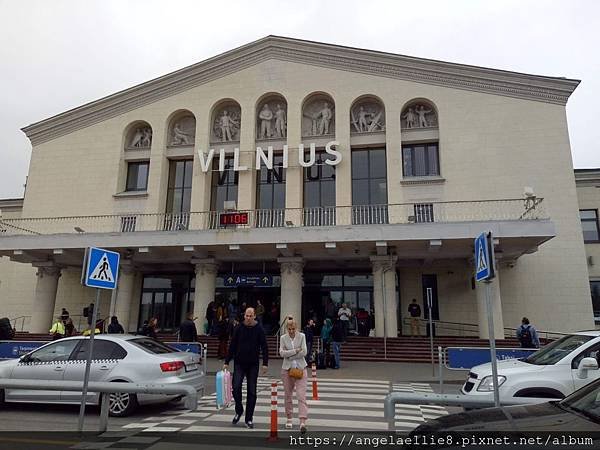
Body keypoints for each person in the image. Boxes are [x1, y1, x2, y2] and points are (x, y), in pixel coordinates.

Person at [223, 307, 268, 429]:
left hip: (253, 364)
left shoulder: (259, 329)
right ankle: (239, 409)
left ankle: (249, 419)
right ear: (244, 316)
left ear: (254, 316)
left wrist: (265, 363)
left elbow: (264, 346)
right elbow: (232, 345)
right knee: (236, 387)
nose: (248, 318)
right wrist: (227, 361)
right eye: (247, 316)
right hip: (239, 363)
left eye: (251, 316)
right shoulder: (239, 328)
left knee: (252, 392)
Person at [279, 317, 308, 433]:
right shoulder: (283, 338)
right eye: (289, 329)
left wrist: (289, 354)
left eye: (293, 329)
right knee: (288, 395)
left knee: (301, 395)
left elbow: (304, 352)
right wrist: (296, 351)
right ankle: (289, 417)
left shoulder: (302, 336)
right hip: (287, 369)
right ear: (286, 328)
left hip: (301, 368)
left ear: (297, 328)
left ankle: (302, 421)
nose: (291, 331)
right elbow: (281, 353)